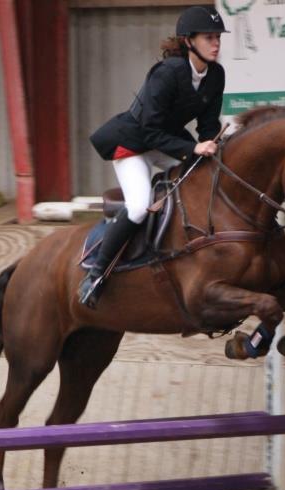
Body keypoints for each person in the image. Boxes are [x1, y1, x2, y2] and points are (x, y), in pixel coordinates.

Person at [80, 5, 228, 308]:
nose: (216, 44)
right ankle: (96, 273)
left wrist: (212, 145)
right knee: (139, 206)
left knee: (206, 178)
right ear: (189, 41)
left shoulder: (216, 74)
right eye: (209, 38)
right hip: (135, 144)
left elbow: (208, 126)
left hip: (167, 143)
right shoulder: (168, 73)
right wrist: (192, 149)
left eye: (218, 37)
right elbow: (149, 131)